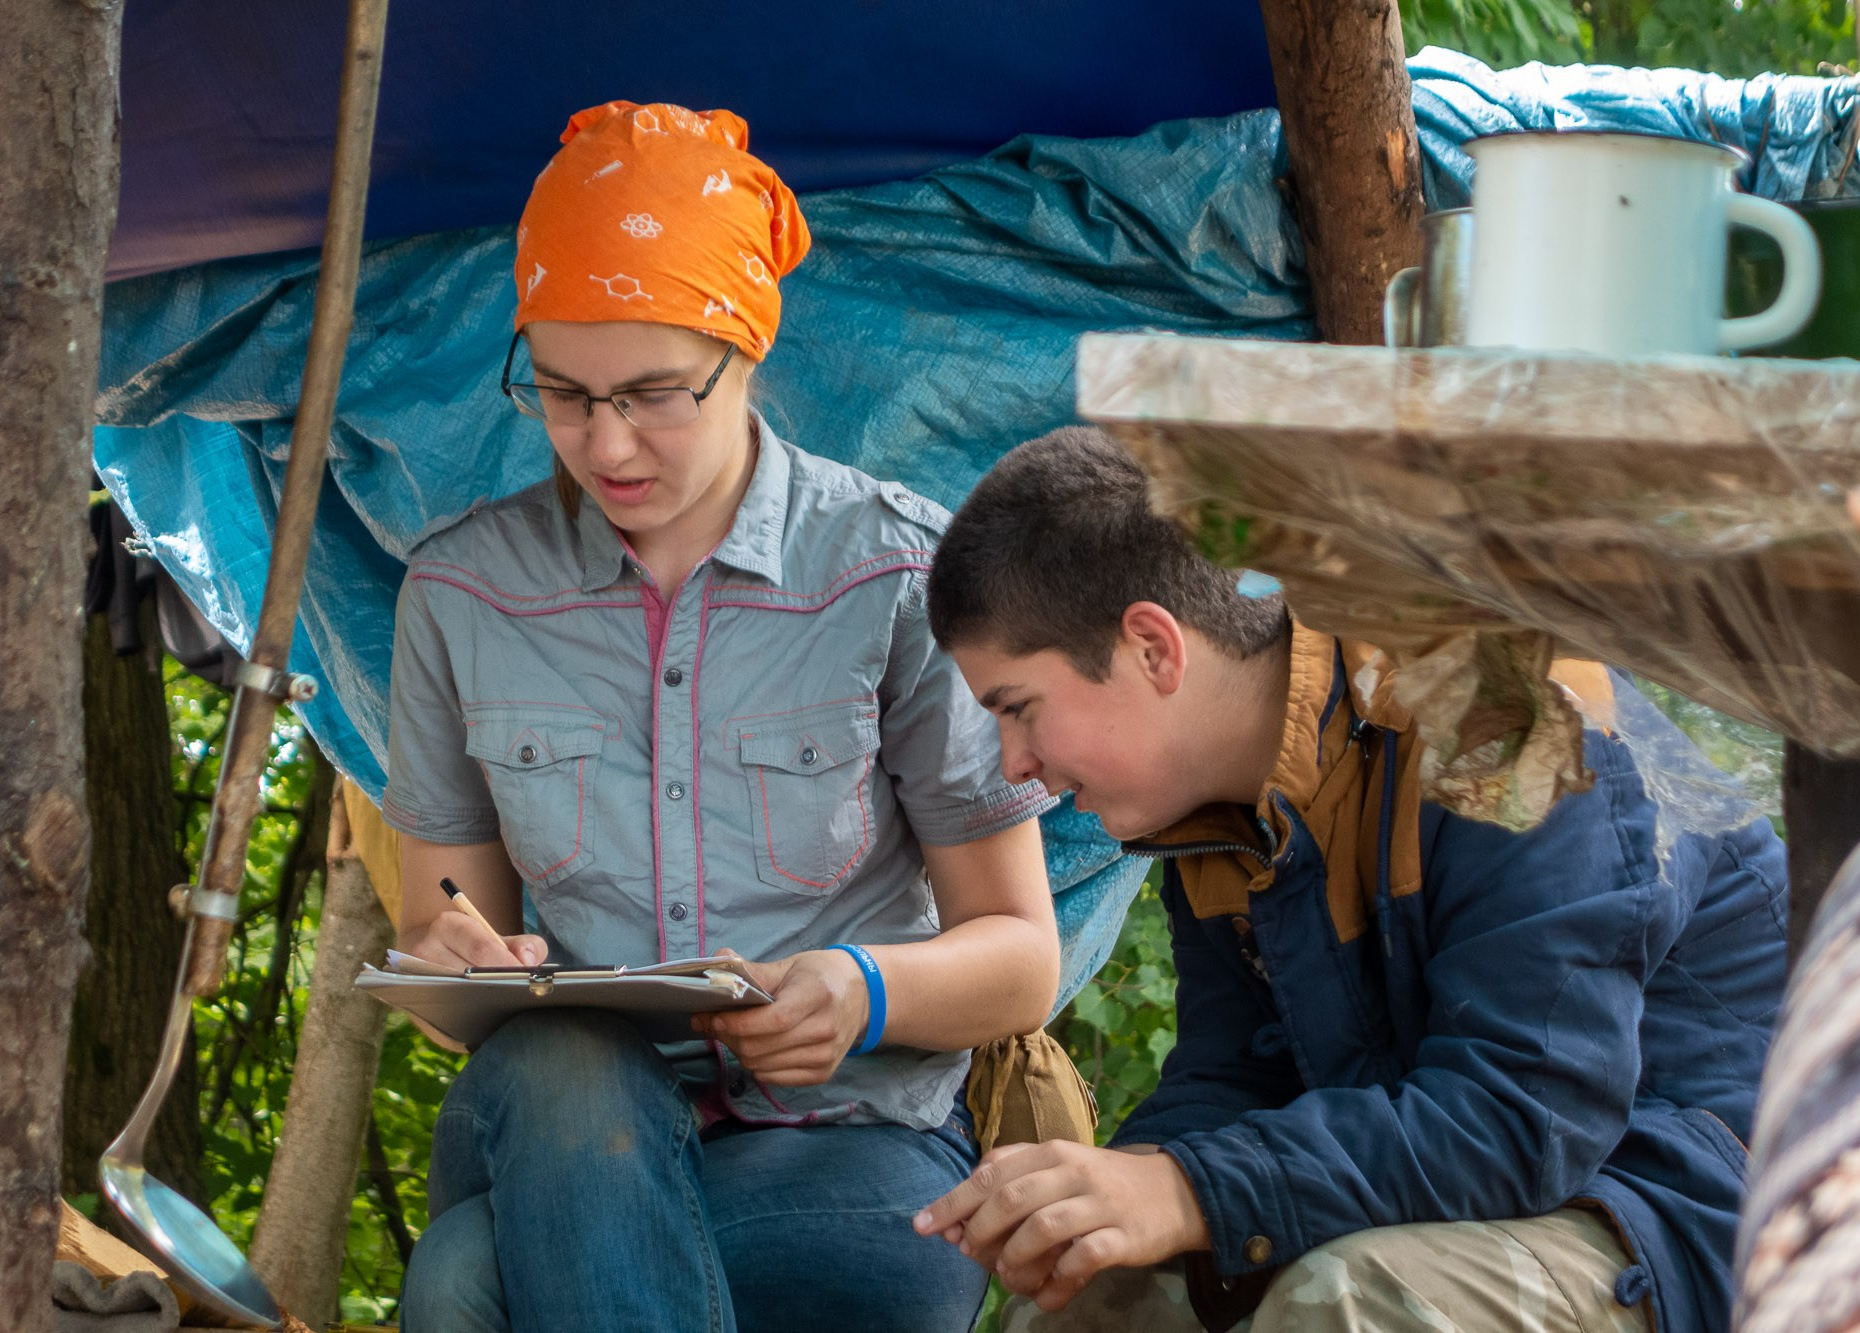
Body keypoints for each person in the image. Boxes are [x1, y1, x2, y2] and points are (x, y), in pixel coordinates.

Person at [383, 102, 1061, 1332]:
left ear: (744, 350)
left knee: (463, 1284)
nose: (606, 441)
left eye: (651, 393)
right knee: (557, 1053)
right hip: (563, 1124)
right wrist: (451, 967)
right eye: (561, 394)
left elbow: (1020, 957)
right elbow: (443, 940)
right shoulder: (457, 596)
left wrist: (863, 990)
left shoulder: (892, 575)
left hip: (852, 1138)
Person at [913, 426, 1788, 1333]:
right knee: (1099, 1295)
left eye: (1019, 710)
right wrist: (1094, 1199)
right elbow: (1236, 1078)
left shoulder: (1510, 721)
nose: (1014, 763)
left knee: (1348, 1301)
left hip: (1696, 1213)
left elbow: (1527, 1113)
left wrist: (1182, 1188)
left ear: (1153, 647)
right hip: (1489, 1199)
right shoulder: (1216, 817)